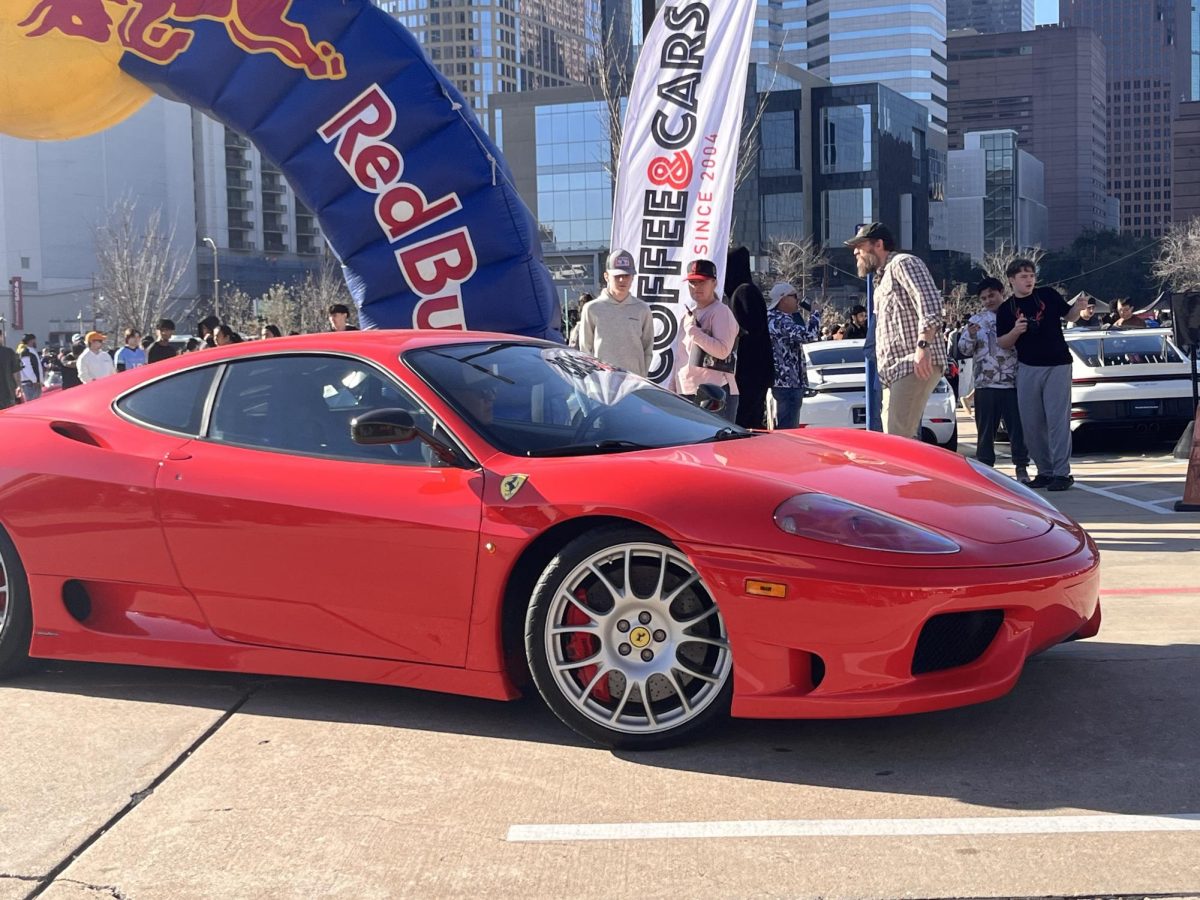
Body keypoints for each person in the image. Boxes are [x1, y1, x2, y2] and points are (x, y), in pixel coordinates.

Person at [845, 222, 946, 440]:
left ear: (878, 244)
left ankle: (919, 475)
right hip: (896, 371)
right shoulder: (882, 279)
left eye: (860, 246)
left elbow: (930, 304)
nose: (855, 252)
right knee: (896, 440)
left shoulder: (904, 263)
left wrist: (922, 347)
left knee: (899, 440)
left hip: (913, 363)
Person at [996, 259, 1088, 491]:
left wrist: (1079, 306)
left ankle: (1061, 473)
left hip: (1058, 364)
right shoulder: (1006, 308)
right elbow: (1003, 343)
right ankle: (1044, 471)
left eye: (1031, 275)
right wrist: (1016, 331)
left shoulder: (1047, 294)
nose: (1029, 280)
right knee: (1031, 423)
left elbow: (1070, 316)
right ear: (1011, 280)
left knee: (1057, 420)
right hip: (1027, 366)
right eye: (1023, 276)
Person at [959, 278, 1030, 482]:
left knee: (1017, 428)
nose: (988, 300)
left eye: (992, 295)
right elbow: (963, 350)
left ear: (1002, 293)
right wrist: (971, 336)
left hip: (1013, 382)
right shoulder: (976, 320)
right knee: (985, 430)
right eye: (984, 298)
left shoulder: (1016, 314)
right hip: (985, 384)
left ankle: (1021, 467)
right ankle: (985, 469)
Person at [677, 259, 740, 423]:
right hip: (688, 390)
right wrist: (674, 386)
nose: (696, 287)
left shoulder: (721, 311)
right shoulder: (689, 314)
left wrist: (693, 331)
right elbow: (681, 356)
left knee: (716, 446)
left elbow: (723, 350)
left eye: (702, 282)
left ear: (714, 283)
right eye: (692, 282)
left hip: (715, 392)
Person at [577, 249, 654, 377]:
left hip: (634, 384)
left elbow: (648, 348)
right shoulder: (592, 308)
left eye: (627, 275)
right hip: (602, 384)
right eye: (617, 276)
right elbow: (585, 350)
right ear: (606, 276)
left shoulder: (642, 309)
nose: (622, 280)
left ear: (633, 277)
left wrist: (642, 376)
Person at [727, 247, 773, 429]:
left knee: (747, 421)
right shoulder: (742, 291)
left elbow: (752, 329)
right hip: (752, 371)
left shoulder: (744, 292)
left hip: (750, 371)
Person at [766, 282, 809, 429]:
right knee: (788, 428)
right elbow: (809, 336)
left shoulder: (776, 318)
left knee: (788, 424)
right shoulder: (779, 320)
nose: (798, 300)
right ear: (783, 299)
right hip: (787, 382)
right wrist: (815, 313)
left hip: (787, 381)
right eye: (794, 296)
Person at [16, 334, 43, 402]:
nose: (35, 342)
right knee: (33, 405)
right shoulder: (25, 351)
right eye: (34, 340)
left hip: (31, 383)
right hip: (30, 383)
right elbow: (27, 367)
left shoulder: (29, 350)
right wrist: (34, 380)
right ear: (31, 340)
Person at [0, 333, 20, 409]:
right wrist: (18, 386)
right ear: (1, 337)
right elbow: (16, 373)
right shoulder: (9, 352)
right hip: (7, 394)